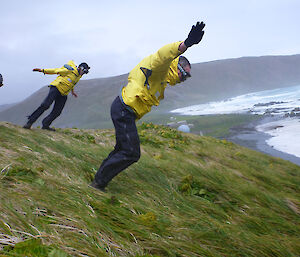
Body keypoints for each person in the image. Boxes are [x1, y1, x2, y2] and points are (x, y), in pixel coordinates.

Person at [90, 21, 205, 192]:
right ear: (177, 67)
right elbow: (162, 55)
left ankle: (99, 179)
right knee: (131, 152)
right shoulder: (160, 68)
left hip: (124, 109)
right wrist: (185, 44)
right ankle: (98, 183)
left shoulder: (162, 79)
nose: (183, 79)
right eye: (184, 75)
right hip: (124, 109)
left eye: (186, 78)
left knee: (122, 149)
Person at [23, 61, 90, 131]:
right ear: (80, 68)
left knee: (57, 112)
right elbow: (55, 71)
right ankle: (29, 122)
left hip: (63, 93)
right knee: (45, 105)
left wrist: (72, 92)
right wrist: (42, 70)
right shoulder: (70, 70)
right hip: (56, 88)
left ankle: (45, 124)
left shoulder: (78, 76)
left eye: (85, 73)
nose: (83, 74)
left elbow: (71, 83)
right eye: (83, 71)